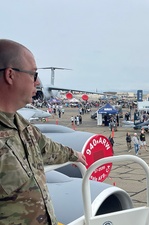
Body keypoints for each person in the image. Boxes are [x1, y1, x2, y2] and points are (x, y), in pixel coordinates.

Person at [0, 39, 88, 224]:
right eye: (33, 74)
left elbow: (45, 147)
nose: (38, 82)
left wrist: (74, 155)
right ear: (10, 75)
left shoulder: (20, 124)